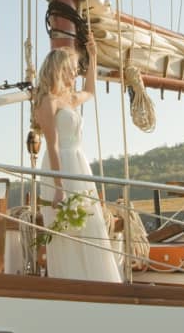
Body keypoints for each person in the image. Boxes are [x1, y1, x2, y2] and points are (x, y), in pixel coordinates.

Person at [34, 36, 122, 283]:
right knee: (67, 229)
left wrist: (93, 58)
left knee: (90, 223)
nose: (74, 75)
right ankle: (71, 280)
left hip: (79, 163)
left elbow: (91, 91)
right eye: (71, 70)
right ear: (59, 70)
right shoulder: (47, 102)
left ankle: (99, 280)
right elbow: (51, 144)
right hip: (59, 165)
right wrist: (59, 188)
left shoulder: (70, 99)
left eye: (75, 70)